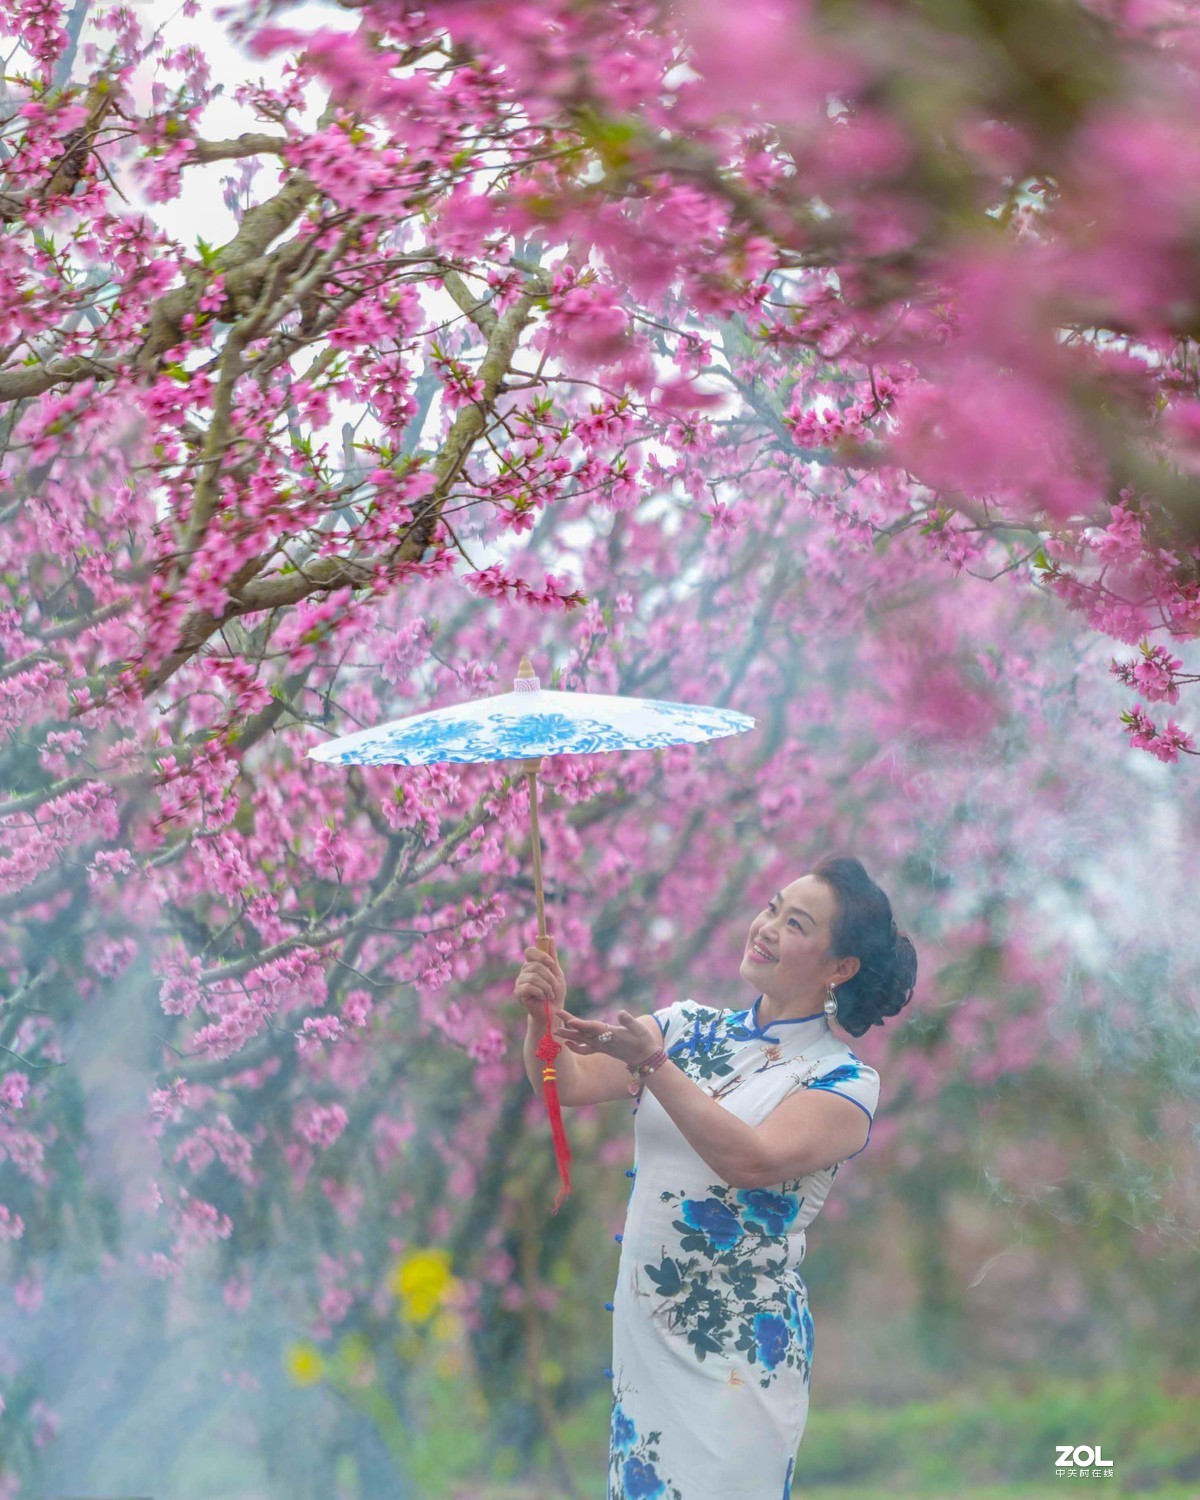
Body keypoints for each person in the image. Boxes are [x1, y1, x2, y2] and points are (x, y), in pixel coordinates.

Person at [515, 854, 918, 1500]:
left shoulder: (844, 1082)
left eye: (796, 924)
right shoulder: (687, 1027)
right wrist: (543, 1015)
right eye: (772, 908)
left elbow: (749, 1160)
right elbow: (569, 1082)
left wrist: (655, 1067)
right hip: (647, 1346)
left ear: (840, 968)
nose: (767, 927)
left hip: (737, 1361)